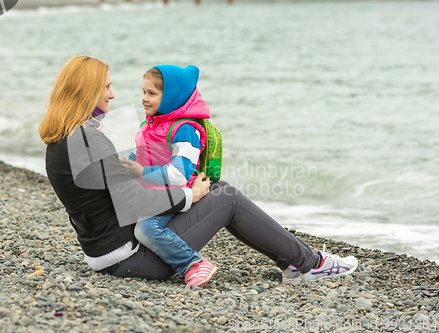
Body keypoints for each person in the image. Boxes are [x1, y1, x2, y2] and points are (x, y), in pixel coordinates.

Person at [39, 55, 358, 285]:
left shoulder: (61, 139)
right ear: (87, 91)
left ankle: (295, 263)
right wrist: (189, 194)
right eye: (106, 87)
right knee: (227, 195)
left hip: (105, 251)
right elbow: (134, 203)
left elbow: (108, 198)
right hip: (131, 258)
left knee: (218, 190)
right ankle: (311, 263)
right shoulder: (90, 139)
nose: (112, 94)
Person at [121, 65, 217, 288]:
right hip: (150, 192)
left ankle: (193, 263)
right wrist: (127, 163)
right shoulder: (150, 124)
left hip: (176, 194)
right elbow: (143, 154)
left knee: (145, 229)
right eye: (144, 92)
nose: (145, 99)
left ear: (171, 98)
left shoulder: (185, 130)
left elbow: (177, 174)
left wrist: (141, 172)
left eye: (152, 94)